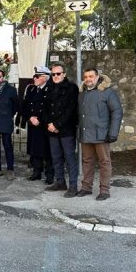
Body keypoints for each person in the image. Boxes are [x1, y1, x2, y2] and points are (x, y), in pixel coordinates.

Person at [77, 67, 124, 201]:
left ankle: (104, 190)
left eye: (91, 76)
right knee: (87, 161)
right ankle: (86, 188)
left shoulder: (108, 92)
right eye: (86, 77)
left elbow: (117, 112)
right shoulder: (82, 93)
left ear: (97, 77)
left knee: (104, 162)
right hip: (86, 133)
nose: (88, 79)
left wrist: (113, 132)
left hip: (102, 135)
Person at [43, 63, 79, 198]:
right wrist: (49, 124)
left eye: (58, 73)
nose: (56, 76)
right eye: (53, 74)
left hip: (66, 129)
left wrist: (57, 125)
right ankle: (60, 182)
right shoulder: (48, 88)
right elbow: (44, 109)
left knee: (69, 158)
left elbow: (70, 109)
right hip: (51, 129)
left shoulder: (72, 88)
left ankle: (73, 186)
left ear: (64, 74)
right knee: (56, 157)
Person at [20, 66, 54, 184]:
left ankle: (50, 174)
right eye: (34, 76)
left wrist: (39, 119)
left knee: (48, 150)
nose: (34, 78)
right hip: (33, 125)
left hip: (45, 125)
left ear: (45, 78)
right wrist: (30, 117)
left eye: (37, 76)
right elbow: (24, 106)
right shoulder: (31, 89)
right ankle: (36, 172)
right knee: (35, 149)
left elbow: (51, 109)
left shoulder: (51, 89)